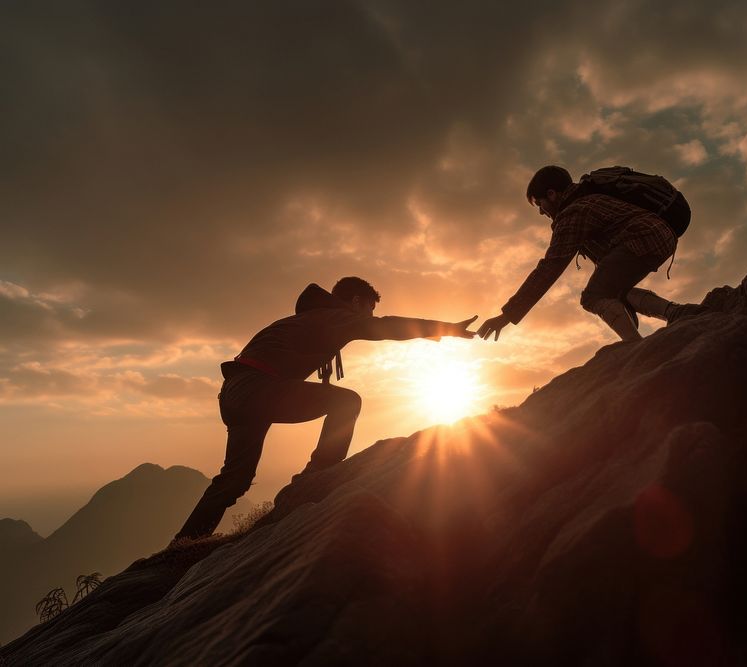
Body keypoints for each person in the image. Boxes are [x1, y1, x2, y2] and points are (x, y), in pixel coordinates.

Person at [174, 277, 477, 540]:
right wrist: (445, 328)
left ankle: (183, 543)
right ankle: (317, 475)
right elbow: (384, 327)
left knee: (234, 480)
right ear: (356, 302)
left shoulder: (308, 318)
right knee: (346, 402)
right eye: (369, 309)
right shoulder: (334, 316)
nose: (370, 316)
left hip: (236, 393)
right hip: (260, 388)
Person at [477, 165, 687, 343]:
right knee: (616, 290)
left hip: (644, 237)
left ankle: (635, 346)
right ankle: (675, 312)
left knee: (592, 296)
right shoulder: (589, 200)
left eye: (540, 204)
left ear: (552, 194)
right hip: (660, 234)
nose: (541, 211)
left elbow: (549, 267)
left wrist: (506, 316)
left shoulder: (573, 213)